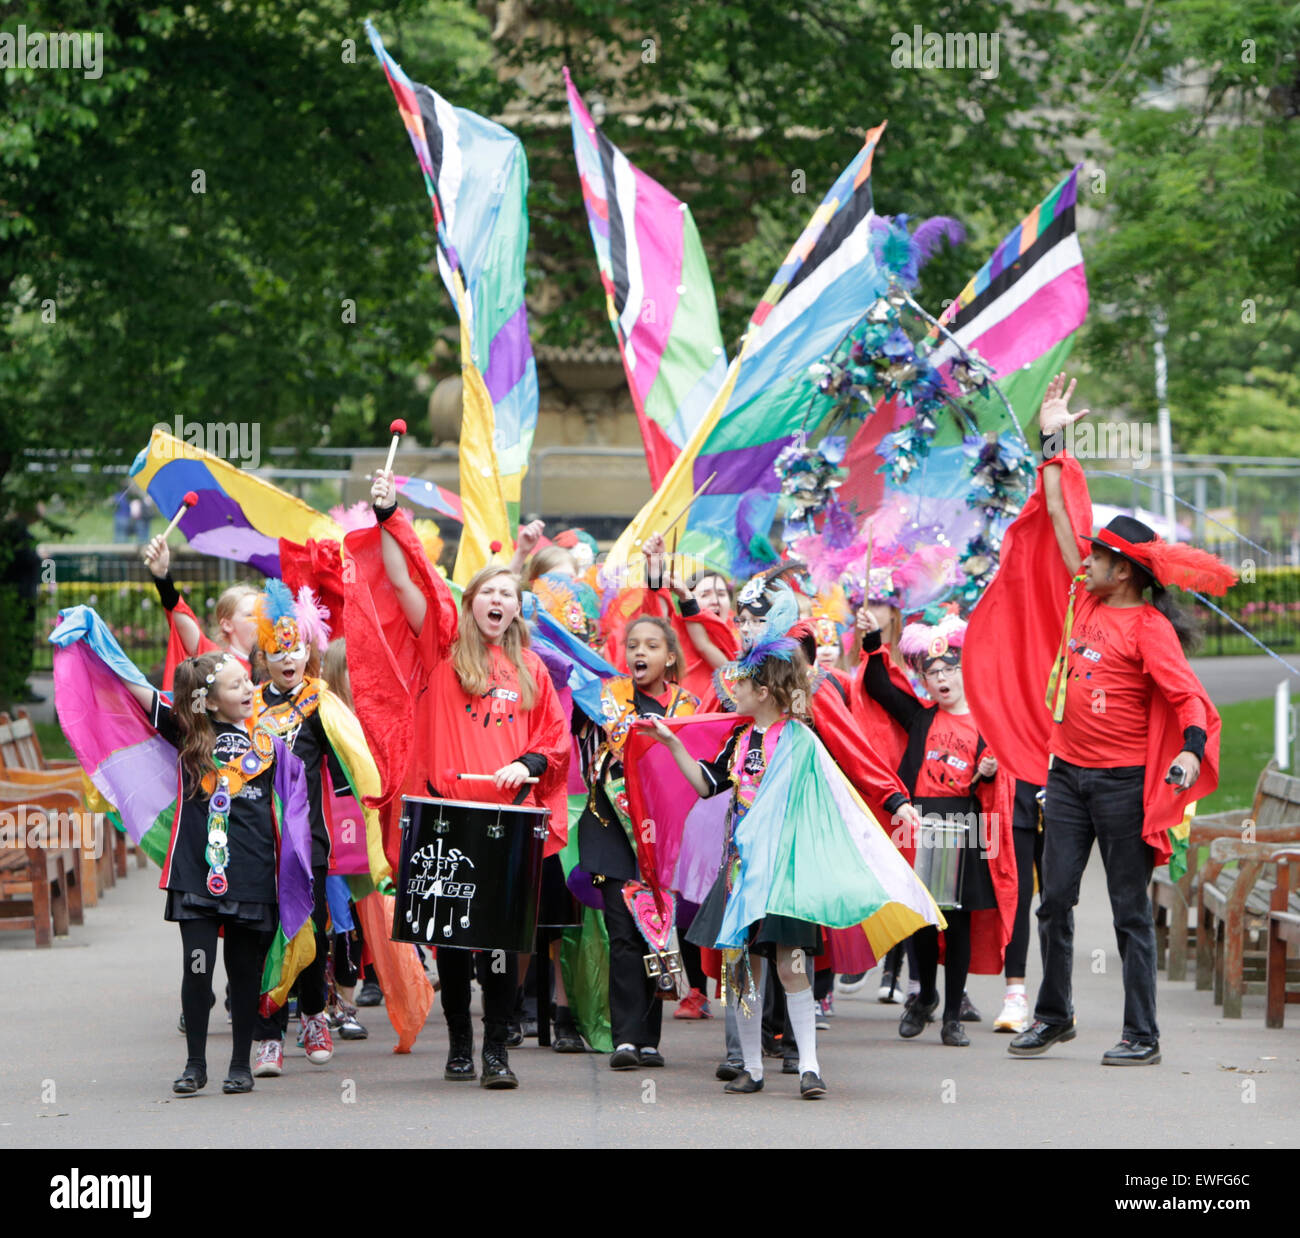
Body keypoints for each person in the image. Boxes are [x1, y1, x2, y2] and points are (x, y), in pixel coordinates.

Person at [965, 373, 1230, 1066]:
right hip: (1069, 777)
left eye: (1104, 555)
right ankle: (1055, 1015)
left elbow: (1189, 699)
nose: (1090, 557)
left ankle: (1141, 1033)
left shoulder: (1147, 628)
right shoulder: (1084, 601)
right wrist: (1053, 436)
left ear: (1130, 572)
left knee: (1129, 912)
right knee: (1053, 902)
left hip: (1120, 786)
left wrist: (1190, 752)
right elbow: (1058, 517)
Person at [650, 590, 944, 1098]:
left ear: (764, 691)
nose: (732, 689)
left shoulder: (802, 740)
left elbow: (842, 790)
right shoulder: (738, 742)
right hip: (742, 871)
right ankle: (752, 1067)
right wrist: (674, 744)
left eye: (742, 683)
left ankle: (809, 1064)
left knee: (791, 965)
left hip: (786, 871)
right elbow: (706, 785)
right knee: (742, 968)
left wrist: (895, 802)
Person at [349, 469, 570, 1089]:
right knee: (451, 941)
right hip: (445, 815)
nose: (501, 600)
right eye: (490, 591)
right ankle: (460, 1044)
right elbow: (400, 578)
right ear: (472, 601)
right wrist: (390, 515)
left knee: (500, 942)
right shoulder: (440, 651)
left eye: (511, 594)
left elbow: (552, 741)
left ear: (518, 610)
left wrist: (525, 766)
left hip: (505, 820)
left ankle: (497, 1049)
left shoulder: (532, 670)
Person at [115, 650, 313, 1095]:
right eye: (236, 684)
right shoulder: (188, 736)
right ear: (209, 701)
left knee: (244, 972)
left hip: (253, 873)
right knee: (198, 967)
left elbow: (296, 805)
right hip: (196, 875)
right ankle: (195, 1065)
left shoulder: (271, 745)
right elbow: (138, 691)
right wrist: (96, 641)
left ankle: (240, 1063)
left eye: (248, 680)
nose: (248, 688)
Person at [858, 609, 1017, 1047]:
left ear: (968, 673)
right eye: (933, 673)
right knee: (922, 919)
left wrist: (987, 771)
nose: (942, 678)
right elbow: (877, 687)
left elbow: (1000, 779)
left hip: (963, 824)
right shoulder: (921, 717)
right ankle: (924, 995)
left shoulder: (987, 723)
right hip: (921, 823)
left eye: (950, 669)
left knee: (958, 920)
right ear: (924, 681)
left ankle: (952, 1016)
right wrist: (873, 639)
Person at [575, 612, 700, 1069]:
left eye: (651, 645)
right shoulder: (607, 698)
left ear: (670, 656)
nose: (639, 652)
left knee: (657, 934)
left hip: (663, 836)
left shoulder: (688, 706)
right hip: (612, 829)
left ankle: (650, 1040)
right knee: (623, 933)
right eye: (632, 645)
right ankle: (626, 1039)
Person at [249, 581, 351, 1077]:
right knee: (268, 933)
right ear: (263, 654)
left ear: (310, 649)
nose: (288, 658)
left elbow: (350, 766)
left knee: (310, 931)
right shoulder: (248, 709)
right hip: (258, 842)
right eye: (278, 648)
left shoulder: (320, 704)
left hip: (308, 842)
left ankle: (313, 1015)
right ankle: (269, 1033)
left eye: (297, 647)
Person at [143, 533, 259, 686]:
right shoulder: (214, 657)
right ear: (227, 624)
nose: (260, 620)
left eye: (261, 614)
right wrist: (161, 575)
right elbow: (180, 615)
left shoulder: (275, 664)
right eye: (250, 615)